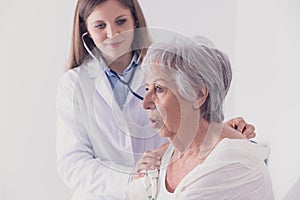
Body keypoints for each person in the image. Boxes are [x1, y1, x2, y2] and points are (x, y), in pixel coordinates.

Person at [56, 0, 256, 199]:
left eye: (121, 21)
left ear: (135, 20)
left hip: (160, 187)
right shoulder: (74, 84)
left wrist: (220, 132)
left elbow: (188, 119)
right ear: (86, 29)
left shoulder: (163, 65)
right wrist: (131, 177)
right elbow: (72, 163)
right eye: (100, 26)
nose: (113, 33)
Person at [126, 36, 274, 199]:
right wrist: (139, 177)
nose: (145, 103)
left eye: (159, 89)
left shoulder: (233, 162)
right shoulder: (168, 155)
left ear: (198, 94)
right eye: (147, 88)